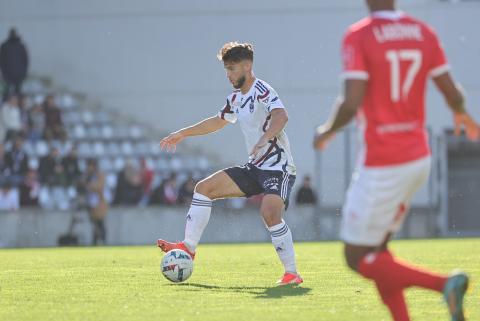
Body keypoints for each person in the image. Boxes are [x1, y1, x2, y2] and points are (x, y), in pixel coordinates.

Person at [313, 1, 479, 320]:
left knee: (355, 257)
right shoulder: (423, 32)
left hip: (383, 164)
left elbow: (351, 101)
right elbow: (452, 92)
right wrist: (461, 113)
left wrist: (326, 131)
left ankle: (446, 284)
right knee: (377, 253)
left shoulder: (359, 35)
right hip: (417, 157)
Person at [157, 42, 302, 285]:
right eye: (226, 69)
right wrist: (182, 133)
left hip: (279, 168)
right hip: (254, 168)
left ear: (247, 66)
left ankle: (292, 273)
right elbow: (217, 121)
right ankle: (188, 248)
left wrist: (265, 138)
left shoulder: (262, 90)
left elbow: (281, 115)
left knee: (270, 212)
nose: (228, 75)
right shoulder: (235, 97)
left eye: (232, 69)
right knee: (204, 189)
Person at [83, 159, 108, 245]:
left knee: (100, 222)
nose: (88, 168)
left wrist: (89, 186)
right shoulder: (88, 175)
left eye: (90, 166)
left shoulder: (99, 175)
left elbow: (99, 186)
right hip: (91, 202)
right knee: (95, 224)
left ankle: (103, 240)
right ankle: (96, 241)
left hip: (99, 202)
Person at [0, 28, 28, 101]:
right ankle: (6, 107)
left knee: (16, 92)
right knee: (8, 92)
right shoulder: (5, 46)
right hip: (11, 74)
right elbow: (2, 60)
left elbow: (25, 61)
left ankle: (17, 107)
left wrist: (23, 73)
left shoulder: (19, 46)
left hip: (15, 74)